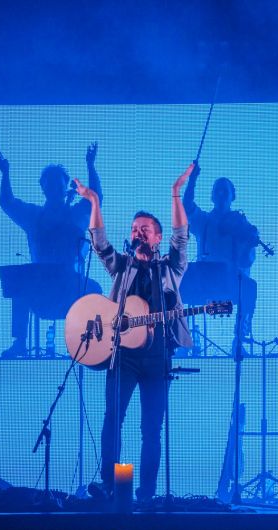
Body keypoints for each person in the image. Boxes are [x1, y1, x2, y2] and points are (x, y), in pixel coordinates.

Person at [76, 163, 194, 503]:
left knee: (151, 430)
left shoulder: (170, 269)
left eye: (145, 229)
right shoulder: (123, 267)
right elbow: (100, 245)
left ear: (157, 238)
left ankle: (147, 493)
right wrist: (94, 202)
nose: (138, 233)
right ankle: (111, 485)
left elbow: (181, 237)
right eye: (134, 229)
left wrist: (175, 194)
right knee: (113, 419)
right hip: (122, 356)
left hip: (157, 358)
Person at [0, 143, 102, 356]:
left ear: (65, 187)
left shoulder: (75, 216)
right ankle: (20, 342)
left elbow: (95, 198)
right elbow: (7, 202)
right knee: (18, 280)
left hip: (68, 289)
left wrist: (90, 165)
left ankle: (87, 342)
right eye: (50, 184)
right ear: (43, 188)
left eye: (58, 183)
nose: (54, 188)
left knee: (94, 290)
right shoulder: (33, 216)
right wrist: (5, 173)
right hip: (41, 291)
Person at [182, 162, 259, 354]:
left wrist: (249, 243)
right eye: (218, 190)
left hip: (227, 284)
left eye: (225, 191)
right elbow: (187, 206)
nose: (221, 194)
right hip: (204, 283)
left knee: (249, 287)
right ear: (212, 196)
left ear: (233, 196)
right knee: (172, 284)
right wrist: (192, 179)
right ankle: (177, 338)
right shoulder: (204, 221)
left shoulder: (242, 226)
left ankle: (239, 339)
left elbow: (246, 262)